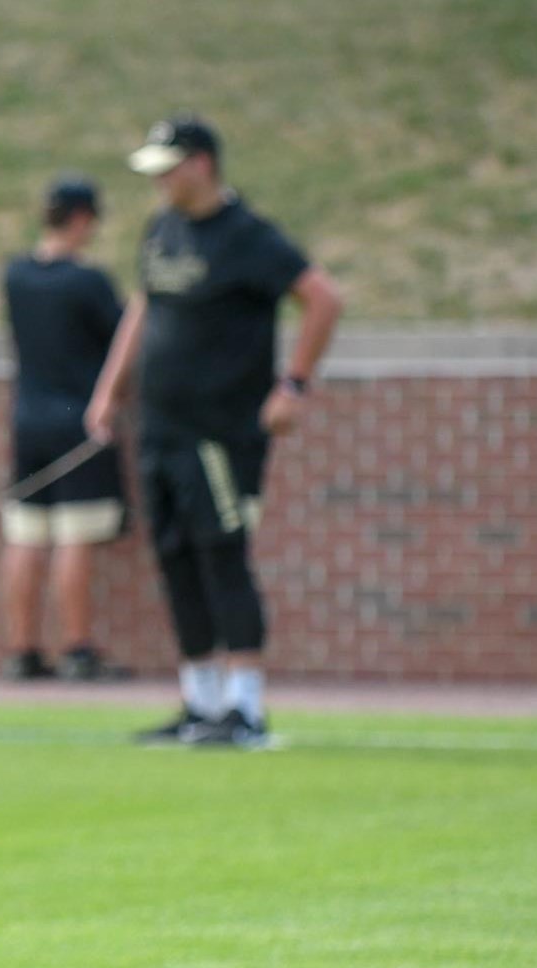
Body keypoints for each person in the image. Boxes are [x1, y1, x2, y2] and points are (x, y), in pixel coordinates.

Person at [85, 114, 344, 749]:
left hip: (221, 432)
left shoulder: (248, 236)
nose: (160, 182)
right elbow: (144, 307)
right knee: (174, 558)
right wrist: (111, 389)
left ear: (201, 164)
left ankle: (245, 708)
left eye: (168, 168)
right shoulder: (162, 229)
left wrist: (294, 386)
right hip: (160, 427)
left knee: (221, 554)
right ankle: (200, 703)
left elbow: (323, 298)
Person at [0, 175, 133, 682]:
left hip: (27, 420)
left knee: (26, 535)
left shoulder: (15, 276)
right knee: (76, 534)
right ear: (80, 219)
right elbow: (124, 342)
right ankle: (77, 647)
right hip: (79, 420)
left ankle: (22, 648)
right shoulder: (87, 282)